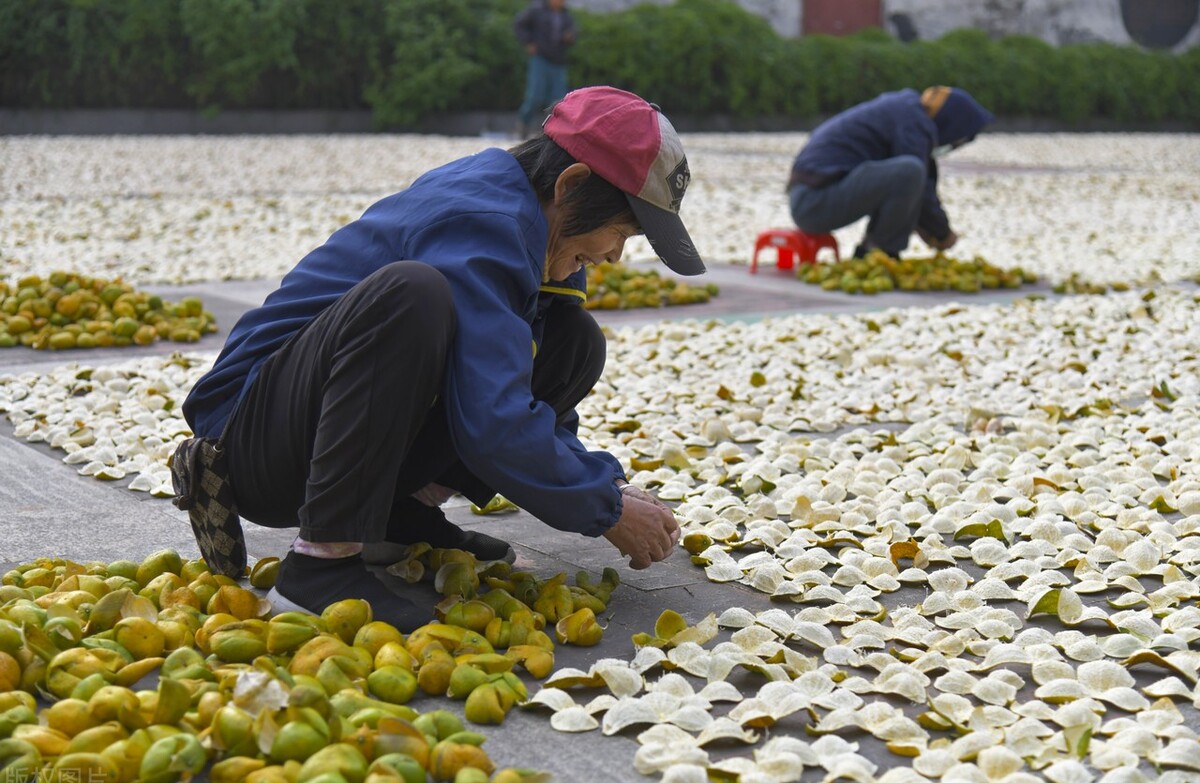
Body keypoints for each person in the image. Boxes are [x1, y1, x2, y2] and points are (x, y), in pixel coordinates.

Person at [172, 86, 703, 631]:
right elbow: (492, 419)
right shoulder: (484, 220)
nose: (616, 253)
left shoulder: (540, 225)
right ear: (572, 185)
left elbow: (509, 382)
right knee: (413, 294)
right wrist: (606, 511)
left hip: (310, 429)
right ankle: (321, 565)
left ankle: (399, 521)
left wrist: (607, 486)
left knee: (573, 339)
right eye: (620, 231)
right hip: (251, 441)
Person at [787, 86, 994, 259]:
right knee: (909, 171)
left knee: (908, 172)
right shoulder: (913, 123)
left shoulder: (905, 111)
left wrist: (929, 226)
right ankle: (879, 252)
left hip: (812, 195)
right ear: (951, 125)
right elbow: (919, 184)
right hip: (814, 202)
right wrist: (942, 233)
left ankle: (875, 251)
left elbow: (913, 191)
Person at [513, 0, 576, 139]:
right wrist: (528, 42)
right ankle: (523, 123)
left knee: (559, 99)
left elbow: (573, 34)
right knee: (535, 95)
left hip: (558, 60)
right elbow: (519, 24)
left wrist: (569, 38)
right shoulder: (536, 10)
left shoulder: (566, 15)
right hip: (540, 57)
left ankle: (553, 132)